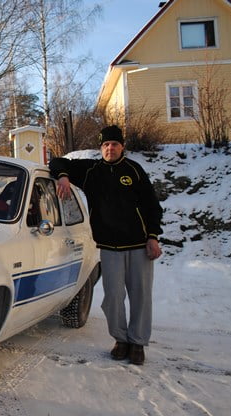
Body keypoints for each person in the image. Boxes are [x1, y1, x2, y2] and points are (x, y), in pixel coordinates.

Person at [49, 125, 163, 365]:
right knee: (112, 297)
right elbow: (57, 162)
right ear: (101, 148)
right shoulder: (92, 170)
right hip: (110, 248)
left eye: (114, 144)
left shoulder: (134, 170)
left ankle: (138, 343)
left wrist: (153, 236)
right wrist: (63, 177)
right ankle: (121, 340)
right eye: (105, 145)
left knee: (141, 296)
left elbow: (152, 206)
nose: (110, 148)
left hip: (139, 246)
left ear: (122, 147)